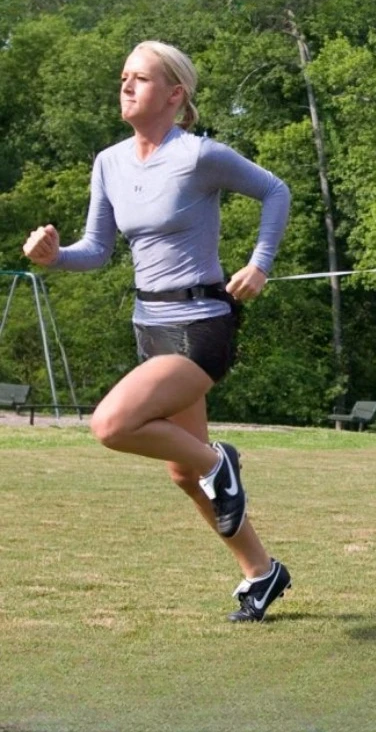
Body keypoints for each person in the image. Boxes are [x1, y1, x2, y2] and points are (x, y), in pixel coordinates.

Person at [22, 40, 292, 623]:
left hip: (202, 324)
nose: (126, 86)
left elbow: (276, 190)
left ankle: (222, 461)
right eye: (124, 77)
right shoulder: (108, 163)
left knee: (112, 424)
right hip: (150, 326)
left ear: (175, 95)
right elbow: (95, 252)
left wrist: (260, 263)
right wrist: (53, 256)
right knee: (181, 470)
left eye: (140, 79)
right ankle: (261, 572)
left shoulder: (199, 156)